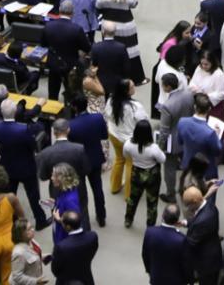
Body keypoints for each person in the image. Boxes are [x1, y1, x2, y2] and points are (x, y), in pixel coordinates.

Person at [0, 100, 48, 230]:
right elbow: (32, 146)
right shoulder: (23, 129)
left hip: (7, 167)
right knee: (33, 195)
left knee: (10, 196)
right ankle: (40, 220)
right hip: (26, 166)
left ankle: (12, 221)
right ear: (15, 112)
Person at [36, 118, 91, 226]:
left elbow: (42, 176)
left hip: (57, 190)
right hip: (78, 187)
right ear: (68, 130)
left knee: (59, 214)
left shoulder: (45, 153)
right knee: (82, 212)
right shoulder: (79, 149)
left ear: (54, 132)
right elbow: (86, 170)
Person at [96, 0, 145, 83]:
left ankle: (112, 73)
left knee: (111, 49)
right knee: (131, 50)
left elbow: (98, 6)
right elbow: (135, 3)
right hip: (126, 27)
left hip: (108, 26)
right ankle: (136, 78)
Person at [67, 93, 108, 226]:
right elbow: (104, 135)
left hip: (79, 162)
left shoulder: (70, 125)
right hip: (95, 158)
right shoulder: (98, 118)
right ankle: (101, 217)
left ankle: (84, 220)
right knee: (98, 189)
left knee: (81, 193)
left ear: (74, 108)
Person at [104, 78, 148, 198]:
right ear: (126, 91)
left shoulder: (111, 100)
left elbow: (107, 114)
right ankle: (129, 194)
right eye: (132, 87)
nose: (134, 88)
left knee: (119, 159)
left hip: (114, 135)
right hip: (129, 140)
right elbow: (143, 121)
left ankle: (115, 186)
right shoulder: (135, 106)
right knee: (131, 165)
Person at [40, 0, 91, 100]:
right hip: (70, 65)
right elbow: (87, 48)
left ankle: (52, 107)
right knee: (71, 91)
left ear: (59, 10)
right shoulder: (77, 29)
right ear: (72, 13)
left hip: (53, 63)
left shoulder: (48, 25)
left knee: (53, 90)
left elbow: (43, 44)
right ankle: (70, 109)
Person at [158, 73, 195, 203]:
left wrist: (159, 147)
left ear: (168, 87)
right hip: (187, 136)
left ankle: (170, 194)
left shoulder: (167, 106)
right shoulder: (188, 94)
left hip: (173, 141)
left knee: (169, 168)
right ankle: (186, 187)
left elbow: (164, 131)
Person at [123, 119, 166, 228]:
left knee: (132, 198)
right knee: (152, 202)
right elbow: (163, 159)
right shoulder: (153, 148)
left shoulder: (128, 144)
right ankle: (150, 225)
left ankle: (128, 219)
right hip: (152, 176)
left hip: (136, 173)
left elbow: (126, 155)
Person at [182, 185, 223, 285]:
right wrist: (187, 222)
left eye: (188, 205)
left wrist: (174, 236)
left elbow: (190, 242)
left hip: (207, 263)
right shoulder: (210, 206)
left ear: (195, 202)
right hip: (213, 251)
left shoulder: (202, 221)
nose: (187, 208)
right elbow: (197, 219)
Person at [142, 205, 190, 285]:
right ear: (177, 219)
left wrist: (150, 271)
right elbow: (186, 264)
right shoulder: (182, 240)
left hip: (156, 277)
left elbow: (145, 255)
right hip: (176, 281)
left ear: (163, 215)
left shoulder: (150, 232)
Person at [178, 92, 222, 173]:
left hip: (187, 165)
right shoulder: (210, 133)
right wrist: (217, 135)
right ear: (209, 109)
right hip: (205, 170)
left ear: (195, 107)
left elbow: (180, 141)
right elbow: (217, 151)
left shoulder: (182, 122)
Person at [51, 211, 99, 285]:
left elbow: (55, 270)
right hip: (86, 278)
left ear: (68, 227)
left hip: (66, 281)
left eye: (62, 222)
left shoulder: (61, 247)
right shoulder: (92, 236)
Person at [190, 50, 224, 122]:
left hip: (213, 106)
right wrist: (195, 89)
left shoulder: (218, 74)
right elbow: (193, 82)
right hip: (200, 104)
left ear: (212, 63)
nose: (203, 66)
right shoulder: (199, 68)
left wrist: (207, 96)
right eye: (202, 64)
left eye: (206, 64)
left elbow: (222, 93)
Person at [49, 163, 81, 243]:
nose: (51, 178)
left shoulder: (70, 201)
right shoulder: (66, 190)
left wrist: (59, 219)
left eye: (53, 176)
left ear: (61, 179)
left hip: (64, 237)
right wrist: (55, 203)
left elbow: (74, 222)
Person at [10, 218, 46, 285]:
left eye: (32, 227)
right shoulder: (18, 253)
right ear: (21, 234)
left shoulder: (31, 241)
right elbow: (17, 277)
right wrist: (35, 281)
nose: (33, 230)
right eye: (29, 229)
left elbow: (32, 255)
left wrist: (43, 256)